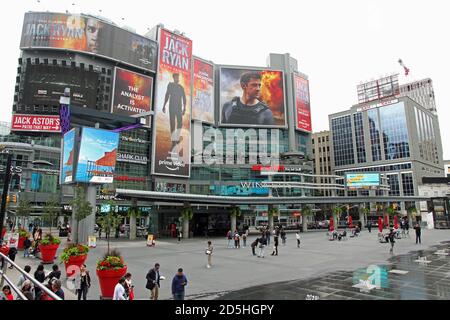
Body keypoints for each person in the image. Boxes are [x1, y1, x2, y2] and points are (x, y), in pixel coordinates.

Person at [162, 73, 187, 150]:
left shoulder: (181, 87)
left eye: (178, 77)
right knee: (172, 123)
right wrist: (164, 105)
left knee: (180, 123)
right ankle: (173, 140)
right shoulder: (170, 85)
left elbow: (184, 98)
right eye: (176, 77)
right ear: (173, 78)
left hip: (179, 108)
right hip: (172, 107)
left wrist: (184, 108)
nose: (177, 78)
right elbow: (167, 95)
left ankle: (177, 138)